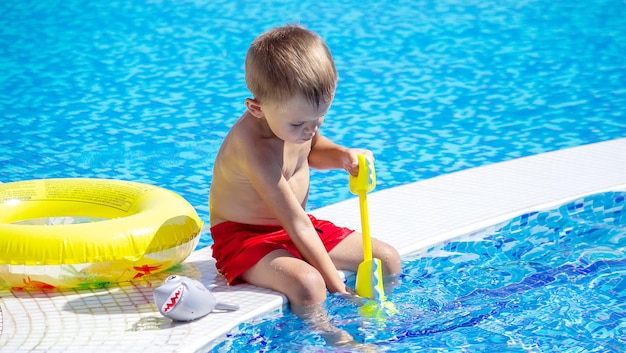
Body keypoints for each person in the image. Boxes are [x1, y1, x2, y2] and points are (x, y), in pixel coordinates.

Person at [209, 24, 401, 344]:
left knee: (387, 258)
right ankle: (332, 337)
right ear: (257, 108)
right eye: (300, 123)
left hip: (296, 228)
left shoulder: (294, 122)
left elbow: (313, 151)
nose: (309, 130)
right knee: (309, 285)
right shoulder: (254, 147)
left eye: (319, 119)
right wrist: (339, 290)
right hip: (245, 239)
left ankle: (382, 315)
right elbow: (296, 223)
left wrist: (342, 156)